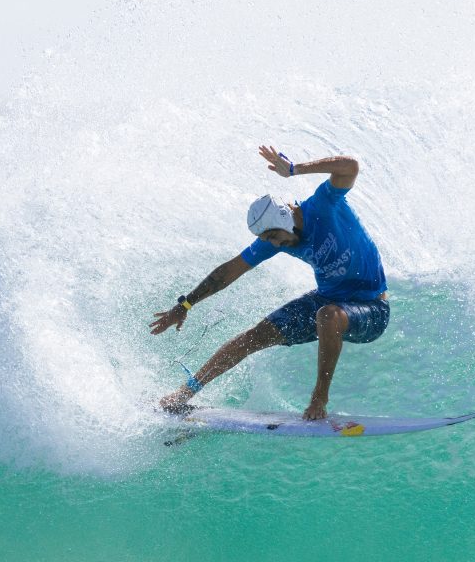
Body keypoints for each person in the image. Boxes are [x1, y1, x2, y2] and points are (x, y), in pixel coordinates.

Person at [149, 144, 389, 420]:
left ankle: (319, 399)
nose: (275, 245)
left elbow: (350, 166)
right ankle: (183, 395)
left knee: (327, 316)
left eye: (274, 236)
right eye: (269, 241)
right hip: (329, 299)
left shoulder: (324, 204)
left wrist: (295, 169)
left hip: (372, 308)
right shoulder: (275, 240)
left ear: (285, 218)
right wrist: (186, 304)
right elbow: (229, 271)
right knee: (254, 336)